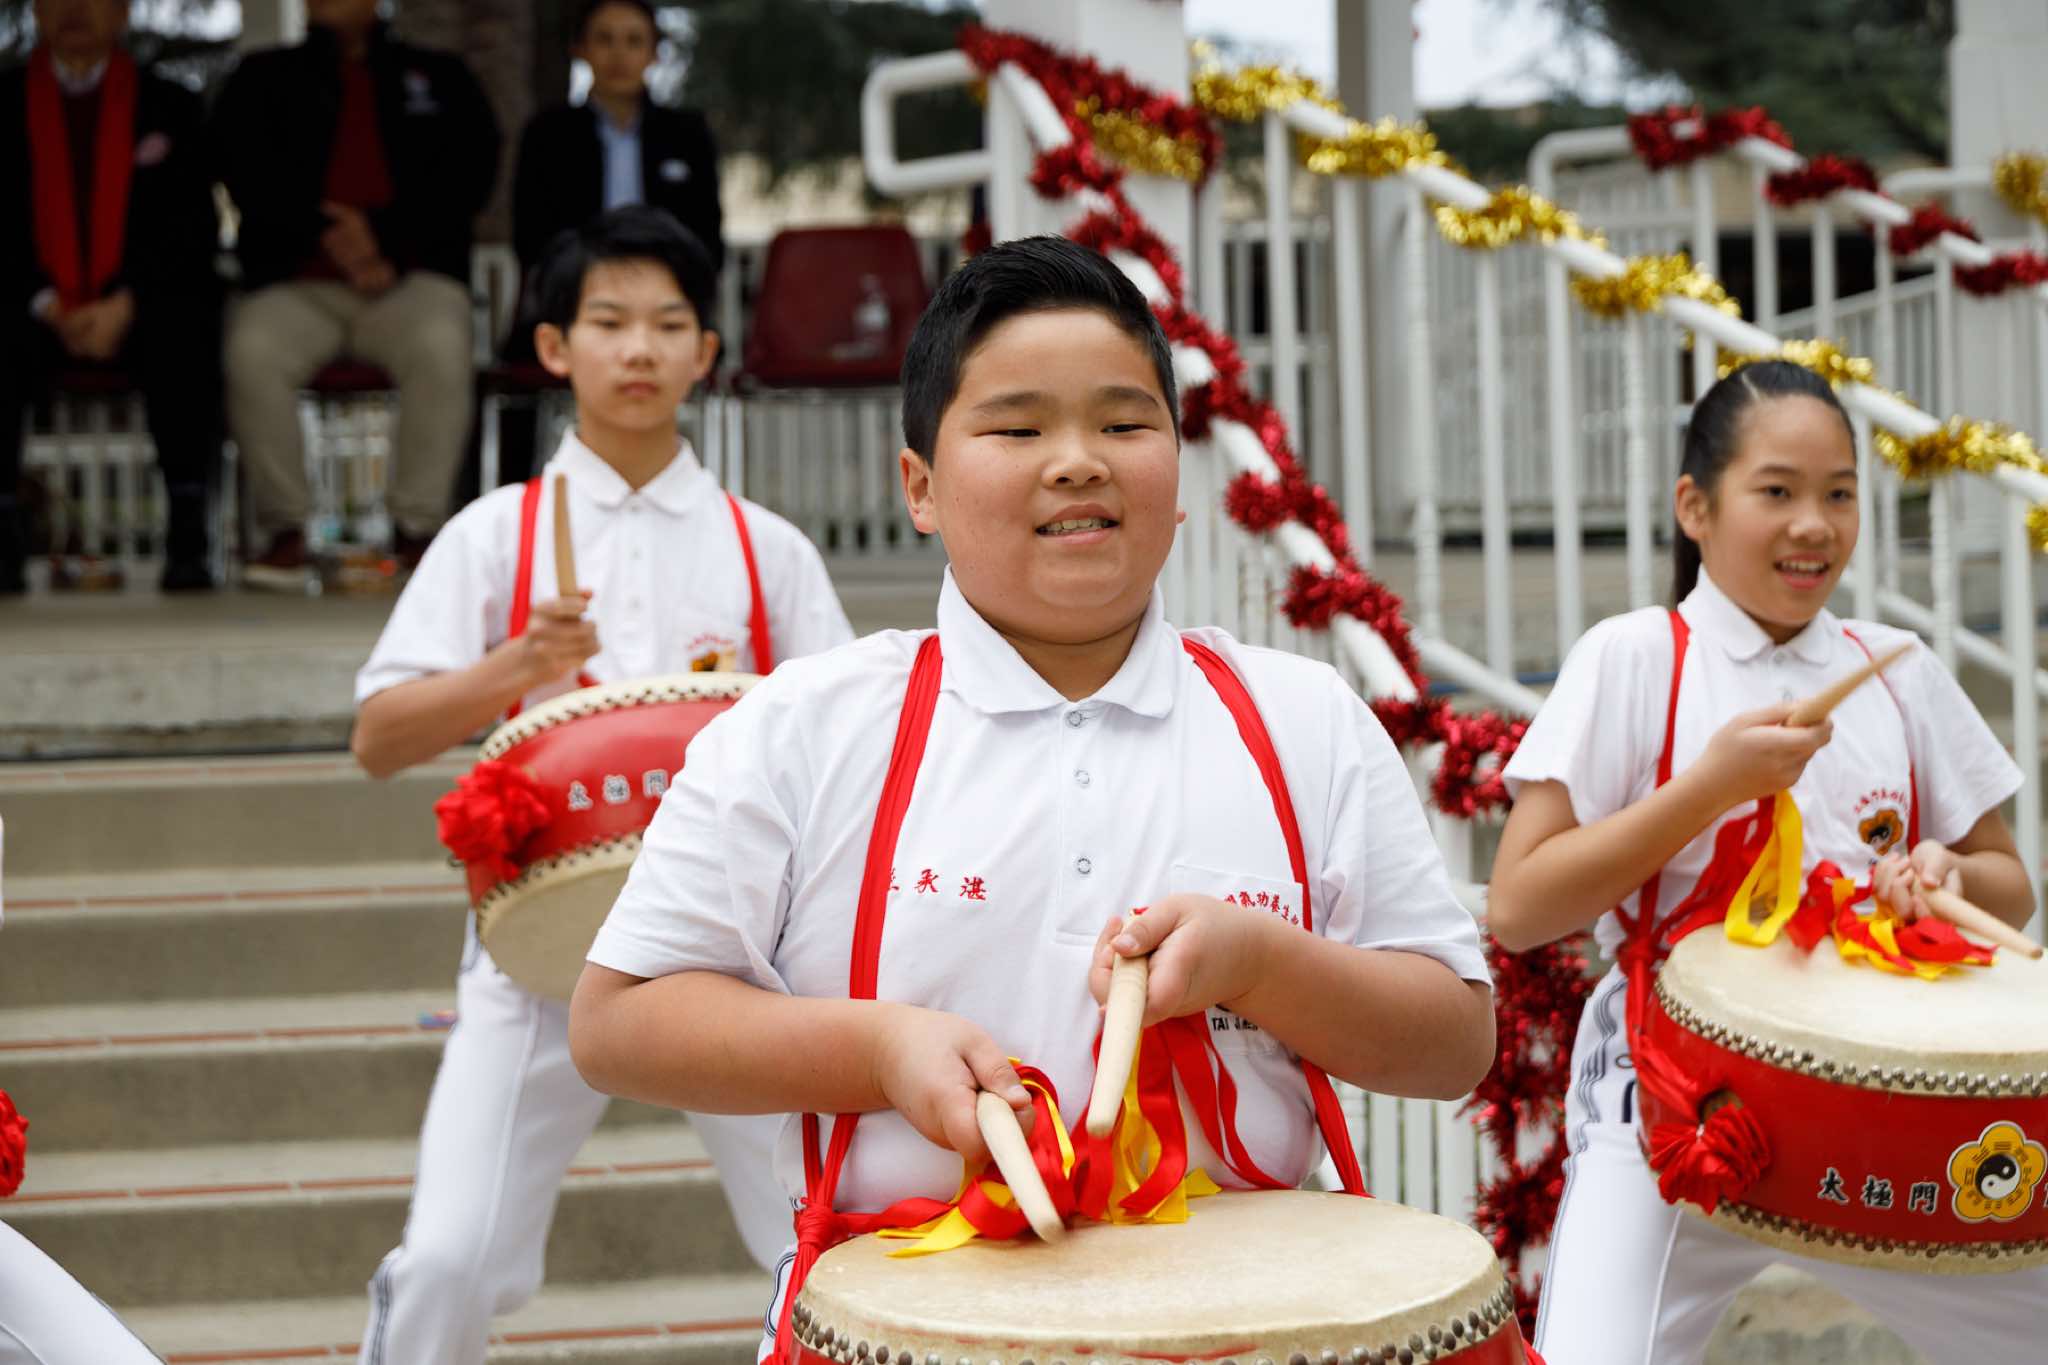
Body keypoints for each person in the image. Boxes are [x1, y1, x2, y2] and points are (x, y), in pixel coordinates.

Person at [566, 235, 1497, 1357]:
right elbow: (618, 1022)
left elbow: (1455, 1041)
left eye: (1124, 424)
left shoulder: (1303, 719)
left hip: (1256, 1327)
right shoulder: (804, 727)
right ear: (918, 485)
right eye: (1017, 429)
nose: (1077, 462)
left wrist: (1262, 964)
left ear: (1178, 474)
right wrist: (878, 1051)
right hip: (908, 1326)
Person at [348, 205, 853, 1365]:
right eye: (608, 322)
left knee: (825, 1244)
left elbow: (851, 752)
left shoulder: (766, 547)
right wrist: (513, 668)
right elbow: (377, 737)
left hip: (735, 947)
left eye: (668, 325)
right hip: (539, 946)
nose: (638, 350)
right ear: (553, 347)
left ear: (705, 352)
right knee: (448, 1260)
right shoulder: (494, 536)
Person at [1487, 359, 2044, 1363]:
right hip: (1677, 1106)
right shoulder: (1635, 657)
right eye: (1776, 492)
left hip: (1878, 1098)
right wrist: (1708, 786)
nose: (1813, 526)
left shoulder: (1894, 668)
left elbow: (2011, 887)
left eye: (1839, 495)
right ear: (1694, 507)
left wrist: (1947, 880)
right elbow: (1520, 905)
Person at [210, 0, 499, 588]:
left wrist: (384, 239)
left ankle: (417, 528)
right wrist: (329, 234)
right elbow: (243, 169)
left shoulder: (440, 76)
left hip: (410, 280)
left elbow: (469, 174)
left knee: (443, 344)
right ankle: (285, 531)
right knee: (252, 350)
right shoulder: (262, 77)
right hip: (298, 281)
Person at [0, 0, 223, 594]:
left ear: (123, 12)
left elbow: (190, 228)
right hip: (29, 303)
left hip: (140, 303)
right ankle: (2, 530)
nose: (74, 9)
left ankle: (188, 527)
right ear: (37, 12)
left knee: (188, 326)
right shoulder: (4, 101)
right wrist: (47, 304)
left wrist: (126, 303)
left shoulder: (171, 104)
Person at [494, 0, 724, 485]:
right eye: (605, 39)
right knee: (515, 374)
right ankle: (519, 494)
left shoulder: (686, 134)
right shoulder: (548, 134)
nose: (619, 54)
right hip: (569, 298)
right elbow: (530, 237)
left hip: (666, 296)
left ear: (654, 53)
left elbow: (707, 240)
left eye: (634, 41)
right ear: (580, 49)